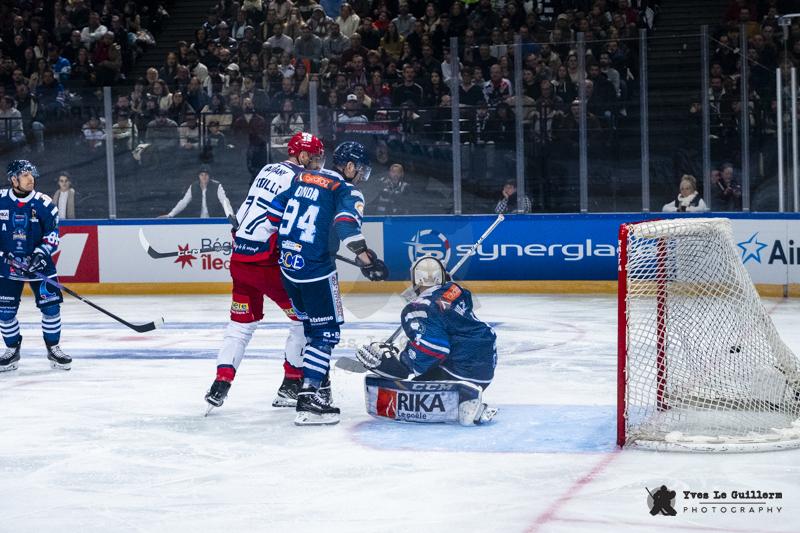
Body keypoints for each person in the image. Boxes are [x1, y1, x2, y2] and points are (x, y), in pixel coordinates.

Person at [266, 141, 388, 425]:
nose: (360, 176)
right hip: (316, 271)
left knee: (311, 329)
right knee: (326, 333)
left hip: (288, 267)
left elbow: (274, 214)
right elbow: (345, 225)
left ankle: (320, 387)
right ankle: (309, 400)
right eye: (359, 170)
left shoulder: (302, 176)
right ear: (348, 167)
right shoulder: (346, 190)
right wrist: (367, 260)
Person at [205, 133, 326, 412]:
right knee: (304, 319)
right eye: (315, 158)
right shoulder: (301, 179)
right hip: (267, 263)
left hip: (241, 261)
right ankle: (291, 384)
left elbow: (246, 209)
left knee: (240, 326)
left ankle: (221, 383)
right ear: (303, 156)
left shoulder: (267, 169)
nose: (318, 164)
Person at [355, 256, 497, 424]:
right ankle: (467, 395)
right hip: (485, 367)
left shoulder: (418, 308)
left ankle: (463, 400)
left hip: (460, 368)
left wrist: (399, 363)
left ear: (415, 279)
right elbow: (453, 312)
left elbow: (435, 349)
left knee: (412, 381)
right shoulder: (455, 289)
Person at [0, 160, 70, 372]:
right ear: (14, 179)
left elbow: (53, 234)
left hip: (40, 267)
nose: (31, 179)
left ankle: (53, 348)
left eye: (32, 174)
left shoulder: (44, 203)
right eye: (25, 175)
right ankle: (12, 350)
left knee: (51, 309)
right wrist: (3, 254)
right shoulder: (1, 200)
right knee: (4, 312)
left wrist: (40, 254)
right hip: (7, 268)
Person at [160, 165, 234, 218]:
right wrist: (170, 215)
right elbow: (184, 202)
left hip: (213, 220)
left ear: (209, 176)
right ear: (198, 176)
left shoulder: (217, 186)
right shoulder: (193, 186)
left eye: (206, 175)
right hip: (197, 221)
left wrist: (230, 215)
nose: (204, 177)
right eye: (202, 175)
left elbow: (224, 201)